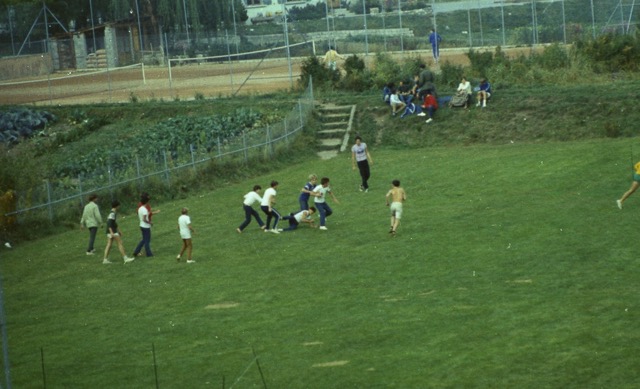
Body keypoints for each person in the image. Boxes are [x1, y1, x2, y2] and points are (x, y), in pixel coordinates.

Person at [103, 200, 135, 264]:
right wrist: (112, 232)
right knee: (120, 243)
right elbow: (109, 223)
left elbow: (114, 223)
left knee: (109, 245)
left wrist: (119, 230)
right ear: (117, 206)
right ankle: (125, 258)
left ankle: (105, 260)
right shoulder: (112, 213)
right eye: (119, 206)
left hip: (110, 231)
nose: (119, 207)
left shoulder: (112, 213)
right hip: (112, 231)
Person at [133, 193, 159, 257]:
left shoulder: (140, 209)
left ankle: (136, 251)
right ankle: (149, 254)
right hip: (145, 226)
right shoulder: (144, 210)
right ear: (146, 202)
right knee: (147, 240)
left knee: (144, 240)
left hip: (141, 225)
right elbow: (144, 219)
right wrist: (150, 223)